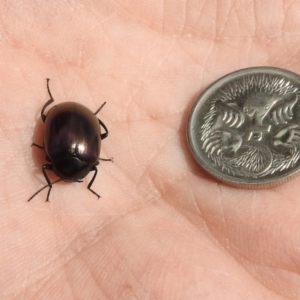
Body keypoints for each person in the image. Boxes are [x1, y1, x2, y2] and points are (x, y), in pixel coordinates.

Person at [2, 1, 298, 299]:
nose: (58, 176)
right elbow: (78, 145)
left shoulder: (65, 160)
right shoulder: (77, 160)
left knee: (63, 130)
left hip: (70, 120)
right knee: (78, 130)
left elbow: (54, 153)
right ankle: (55, 101)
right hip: (76, 119)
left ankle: (56, 101)